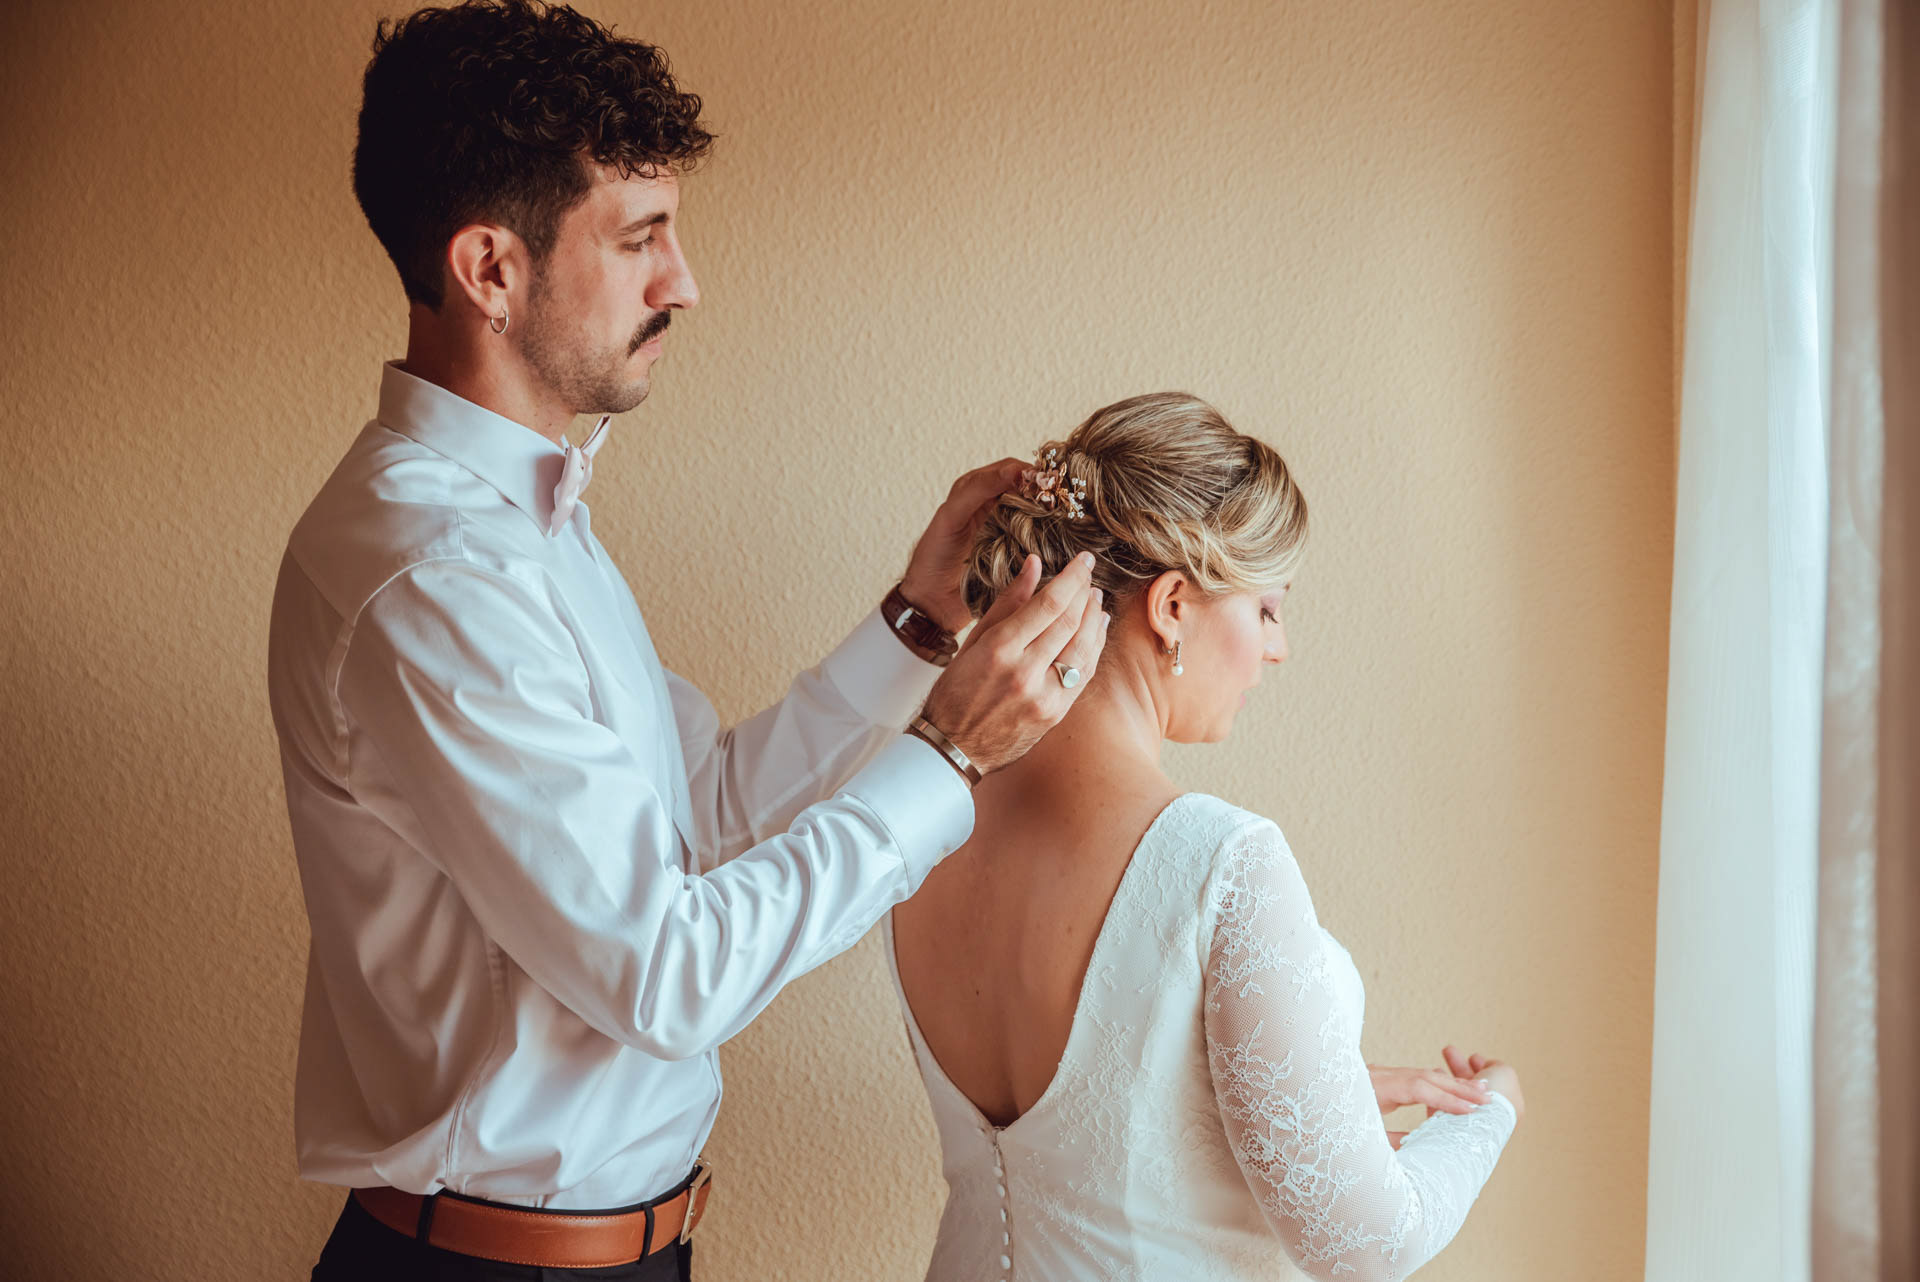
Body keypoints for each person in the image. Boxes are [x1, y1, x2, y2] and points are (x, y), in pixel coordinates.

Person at [266, 2, 1106, 1277]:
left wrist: (916, 625)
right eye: (642, 237)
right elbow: (668, 973)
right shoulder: (434, 579)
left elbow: (696, 818)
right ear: (490, 268)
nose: (686, 282)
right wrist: (945, 756)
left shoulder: (536, 520)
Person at [888, 393, 1523, 1282]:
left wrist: (1305, 1098)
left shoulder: (922, 820)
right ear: (1175, 605)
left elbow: (1106, 1130)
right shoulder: (1220, 862)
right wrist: (1486, 1114)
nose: (1279, 649)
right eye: (1266, 610)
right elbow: (1367, 1245)